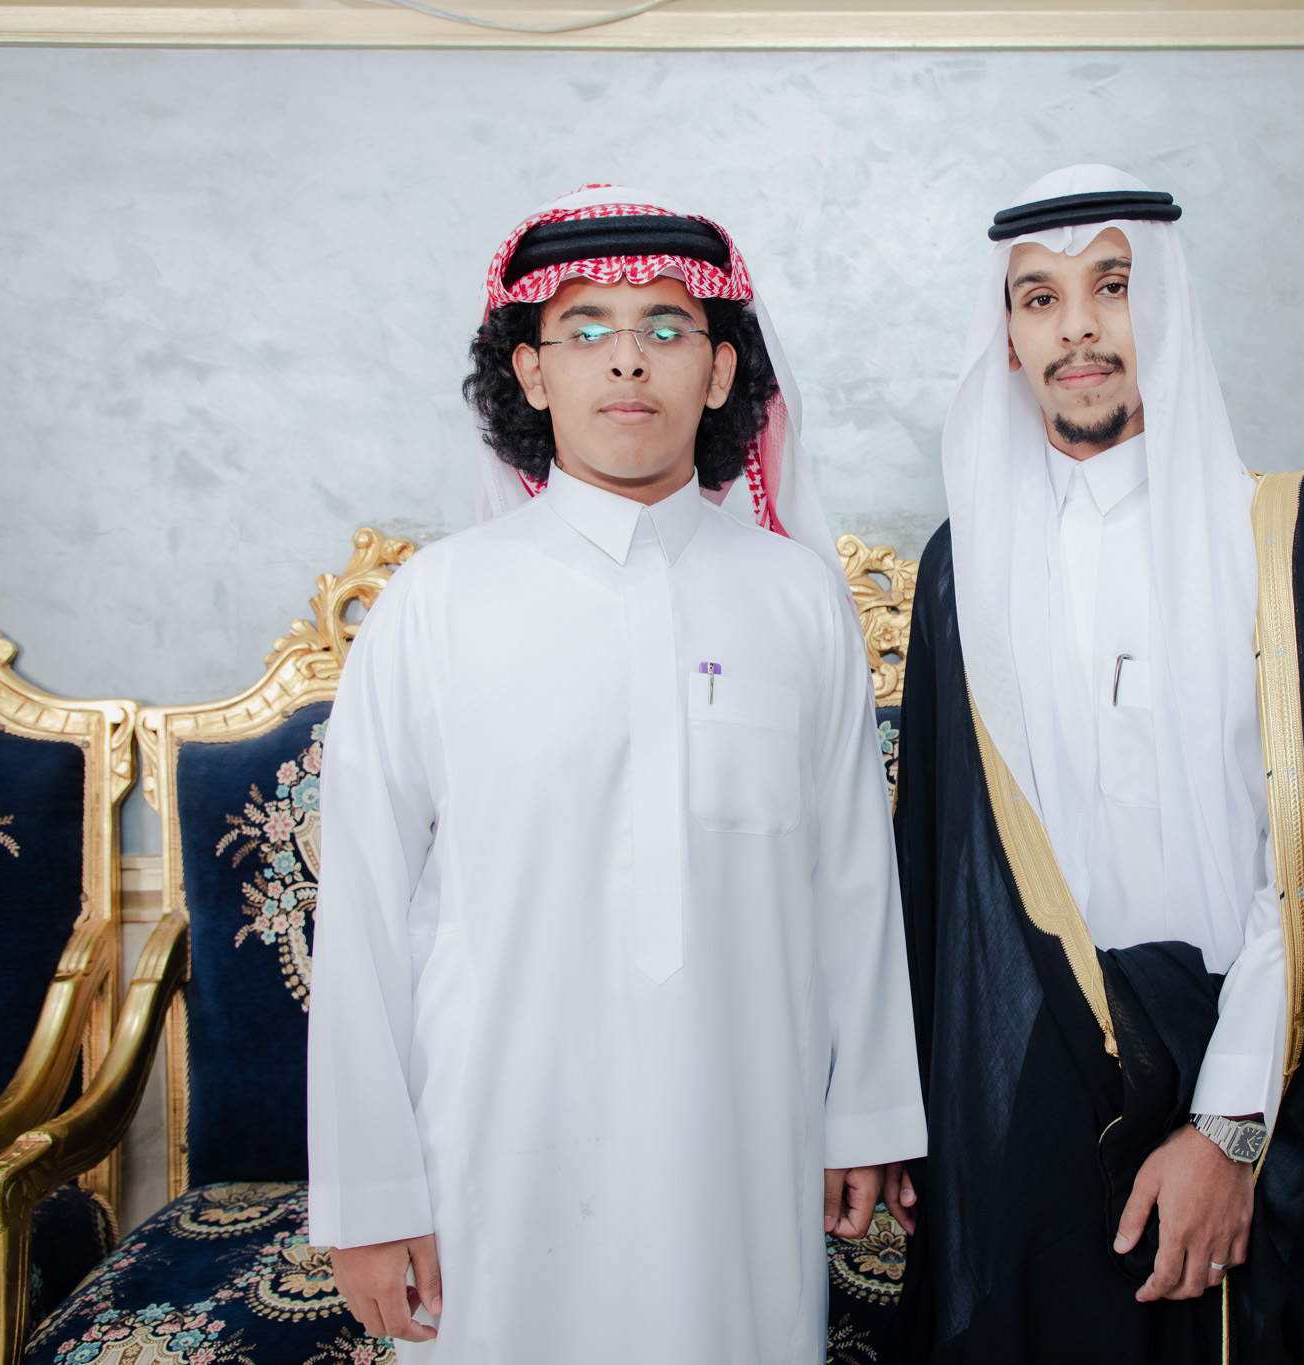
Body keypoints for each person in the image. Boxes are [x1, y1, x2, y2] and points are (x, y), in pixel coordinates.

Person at [306, 184, 925, 1363]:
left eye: (664, 328)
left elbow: (852, 878)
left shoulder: (795, 597)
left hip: (741, 1134)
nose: (625, 360)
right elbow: (367, 917)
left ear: (720, 370)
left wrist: (869, 1112)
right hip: (494, 1138)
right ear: (531, 374)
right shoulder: (437, 602)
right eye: (583, 329)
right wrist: (368, 1197)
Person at [890, 165, 1304, 1364]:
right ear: (1005, 338)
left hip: (1242, 1063)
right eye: (1038, 298)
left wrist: (1228, 1131)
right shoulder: (962, 570)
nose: (1077, 328)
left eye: (1111, 287)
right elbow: (945, 898)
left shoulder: (1275, 535)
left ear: (1166, 308)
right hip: (1034, 1080)